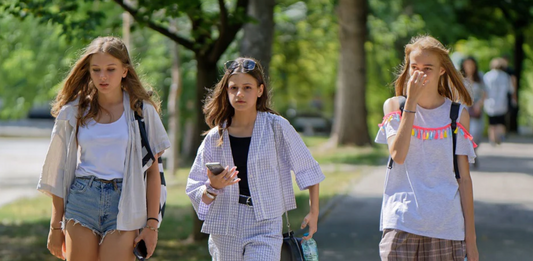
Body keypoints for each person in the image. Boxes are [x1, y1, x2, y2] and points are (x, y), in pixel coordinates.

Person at [37, 36, 170, 261]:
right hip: (82, 198)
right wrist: (55, 227)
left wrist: (152, 226)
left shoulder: (141, 111)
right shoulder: (75, 111)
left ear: (125, 71)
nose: (103, 76)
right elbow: (57, 172)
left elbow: (153, 172)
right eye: (96, 70)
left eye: (110, 69)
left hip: (126, 200)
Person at [186, 57, 325, 260]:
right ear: (227, 91)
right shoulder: (215, 137)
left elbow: (308, 168)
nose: (240, 94)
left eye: (247, 87)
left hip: (266, 223)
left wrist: (314, 213)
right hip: (224, 226)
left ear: (260, 90)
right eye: (233, 88)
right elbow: (194, 188)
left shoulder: (277, 127)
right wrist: (212, 187)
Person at [375, 35, 479, 261]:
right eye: (414, 67)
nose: (419, 74)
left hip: (446, 227)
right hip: (401, 222)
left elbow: (464, 179)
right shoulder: (394, 106)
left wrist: (470, 241)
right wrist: (411, 103)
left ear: (442, 70)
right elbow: (398, 155)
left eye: (427, 68)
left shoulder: (457, 114)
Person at [483, 57, 517, 145]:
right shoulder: (506, 76)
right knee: (501, 122)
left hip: (490, 102)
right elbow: (511, 89)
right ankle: (499, 137)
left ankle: (492, 139)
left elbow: (484, 90)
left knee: (492, 123)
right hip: (502, 103)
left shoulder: (487, 76)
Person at [460, 56, 486, 168]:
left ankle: (474, 152)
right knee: (465, 133)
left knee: (475, 133)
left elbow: (485, 92)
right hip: (464, 108)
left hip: (476, 109)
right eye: (467, 64)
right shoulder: (459, 77)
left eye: (471, 65)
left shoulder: (480, 77)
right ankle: (467, 156)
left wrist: (479, 105)